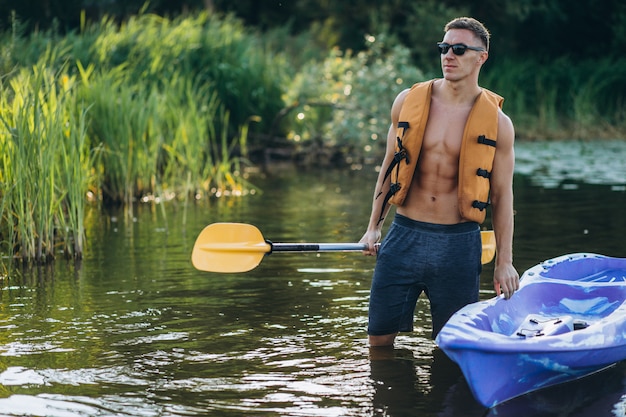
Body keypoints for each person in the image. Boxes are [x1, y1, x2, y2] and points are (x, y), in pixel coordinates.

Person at [359, 17, 519, 347]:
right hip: (404, 235)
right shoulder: (408, 101)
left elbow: (503, 197)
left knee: (451, 349)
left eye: (459, 49)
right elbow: (389, 167)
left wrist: (504, 262)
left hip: (458, 245)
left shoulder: (499, 124)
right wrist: (374, 226)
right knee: (378, 343)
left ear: (481, 57)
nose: (449, 55)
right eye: (444, 48)